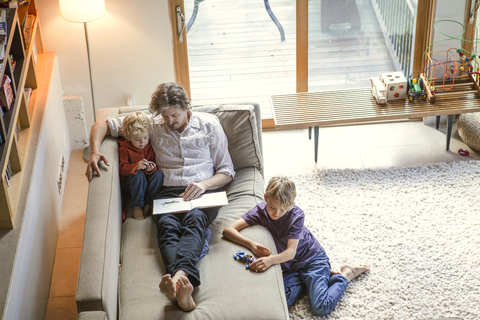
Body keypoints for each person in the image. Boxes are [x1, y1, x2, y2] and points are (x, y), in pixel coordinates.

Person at [85, 82, 235, 312]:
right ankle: (182, 286)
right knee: (166, 226)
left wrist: (204, 184)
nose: (169, 121)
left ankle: (177, 278)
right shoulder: (153, 124)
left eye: (174, 115)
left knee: (195, 221)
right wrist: (95, 151)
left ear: (186, 106)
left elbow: (226, 171)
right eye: (164, 116)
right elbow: (102, 125)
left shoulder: (209, 125)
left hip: (204, 191)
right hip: (168, 191)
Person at [222, 176, 369, 316]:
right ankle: (315, 280)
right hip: (289, 267)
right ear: (266, 198)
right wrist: (252, 244)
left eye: (283, 209)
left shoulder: (296, 215)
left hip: (311, 259)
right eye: (272, 207)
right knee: (278, 301)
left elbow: (291, 252)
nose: (276, 213)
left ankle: (346, 275)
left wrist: (270, 260)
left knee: (320, 307)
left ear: (291, 205)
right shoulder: (260, 211)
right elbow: (228, 230)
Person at [118, 111, 164, 220]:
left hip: (146, 182)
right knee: (138, 175)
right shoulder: (124, 149)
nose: (142, 142)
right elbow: (121, 169)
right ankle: (137, 207)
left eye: (145, 138)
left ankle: (147, 205)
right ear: (129, 137)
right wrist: (136, 166)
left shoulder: (148, 146)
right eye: (137, 139)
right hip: (131, 184)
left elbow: (153, 162)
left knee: (158, 175)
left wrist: (151, 168)